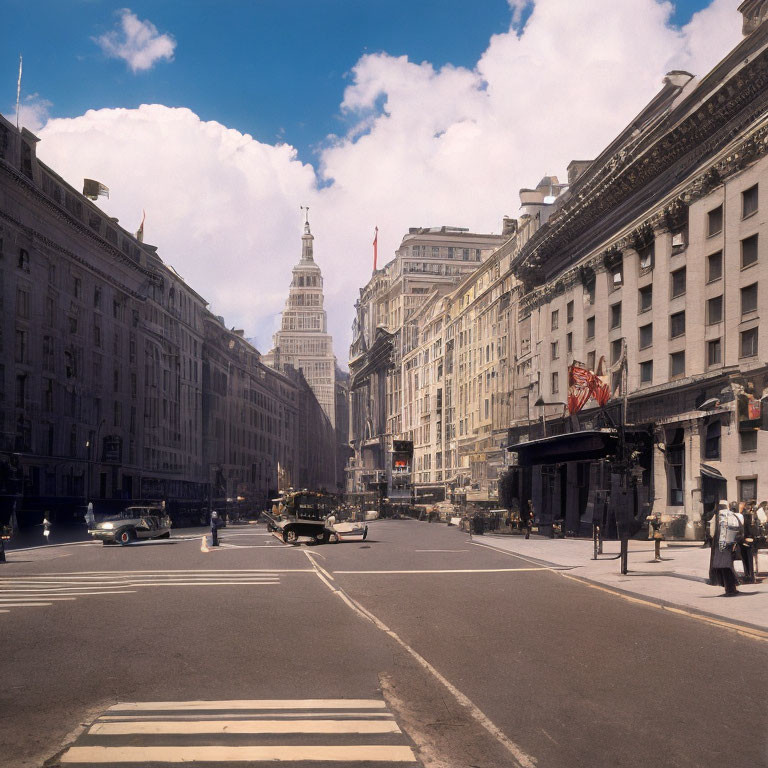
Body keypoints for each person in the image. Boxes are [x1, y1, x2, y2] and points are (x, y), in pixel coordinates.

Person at [709, 500, 743, 596]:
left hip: (720, 545)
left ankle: (729, 589)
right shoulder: (732, 515)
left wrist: (719, 543)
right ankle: (732, 587)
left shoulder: (718, 516)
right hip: (731, 544)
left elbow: (713, 532)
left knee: (723, 567)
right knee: (728, 566)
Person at [740, 500, 758, 584]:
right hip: (748, 539)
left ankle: (748, 575)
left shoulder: (744, 515)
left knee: (746, 559)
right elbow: (750, 529)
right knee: (749, 559)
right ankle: (750, 577)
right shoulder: (748, 516)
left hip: (745, 539)